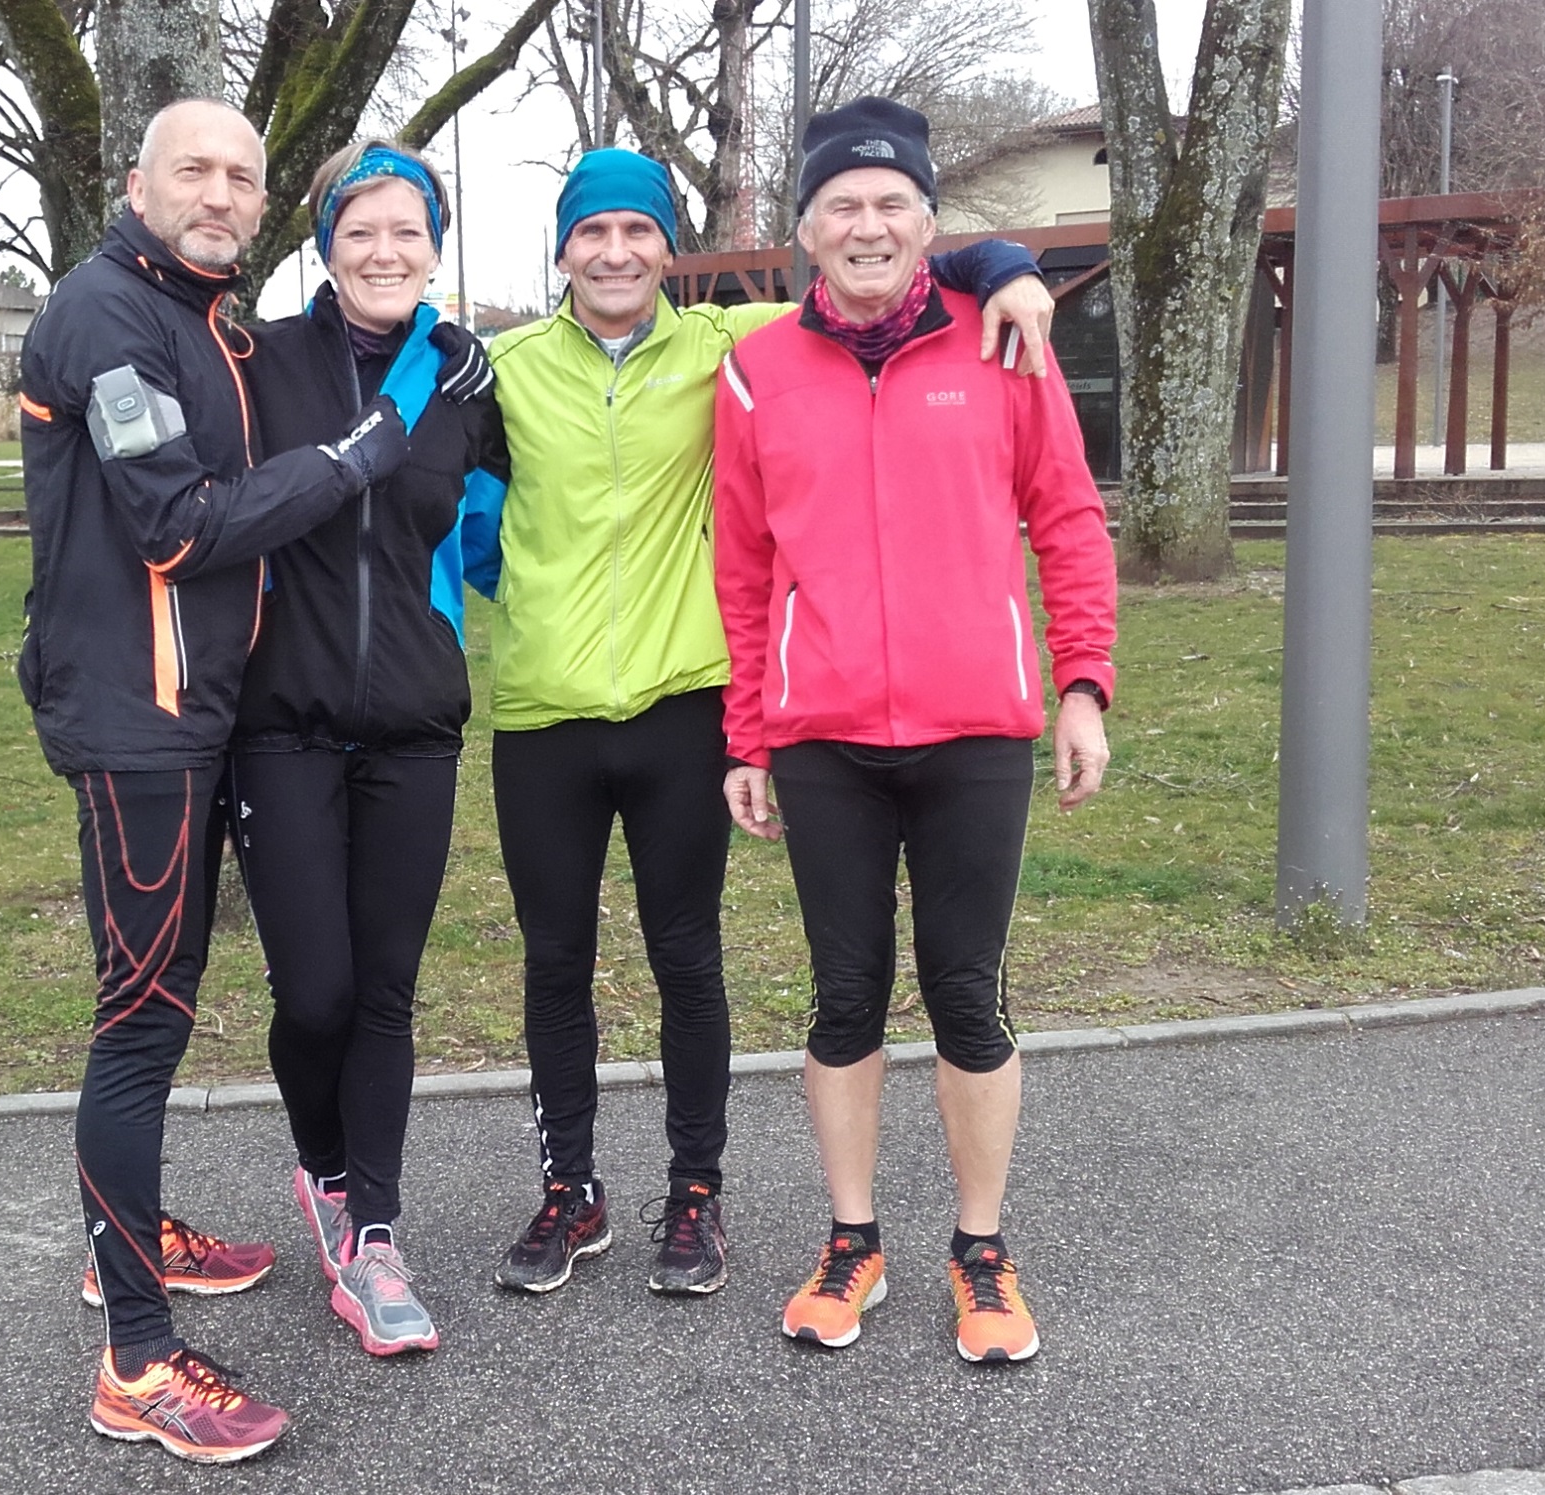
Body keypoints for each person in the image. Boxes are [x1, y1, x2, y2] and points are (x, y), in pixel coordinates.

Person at [465, 147, 1058, 1298]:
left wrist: (1007, 266)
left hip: (686, 697)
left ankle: (696, 1195)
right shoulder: (503, 366)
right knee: (555, 961)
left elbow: (880, 270)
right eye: (593, 233)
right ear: (562, 251)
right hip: (544, 709)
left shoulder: (730, 347)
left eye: (639, 231)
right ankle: (568, 1189)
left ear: (669, 251)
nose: (616, 251)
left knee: (688, 954)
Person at [15, 99, 417, 1465]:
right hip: (142, 726)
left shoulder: (195, 315)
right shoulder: (107, 318)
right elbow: (179, 528)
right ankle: (133, 1354)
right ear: (136, 181)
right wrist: (355, 453)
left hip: (197, 721)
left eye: (242, 177)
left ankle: (130, 1236)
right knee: (136, 1025)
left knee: (166, 1000)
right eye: (194, 168)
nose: (220, 193)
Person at [711, 97, 1118, 1361]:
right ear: (807, 232)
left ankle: (981, 1253)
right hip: (824, 735)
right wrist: (747, 732)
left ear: (929, 226)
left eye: (893, 205)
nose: (868, 225)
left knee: (967, 997)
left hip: (973, 732)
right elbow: (743, 562)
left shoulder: (1002, 342)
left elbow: (1068, 519)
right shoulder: (757, 370)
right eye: (842, 205)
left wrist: (1082, 684)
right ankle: (853, 1241)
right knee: (844, 998)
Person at [227, 138, 502, 1357]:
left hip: (414, 731)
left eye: (409, 232)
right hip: (279, 726)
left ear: (435, 247)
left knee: (384, 993)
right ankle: (322, 1166)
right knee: (315, 991)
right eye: (361, 230)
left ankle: (372, 1233)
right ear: (326, 245)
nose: (385, 252)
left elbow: (487, 538)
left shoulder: (465, 382)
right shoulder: (263, 365)